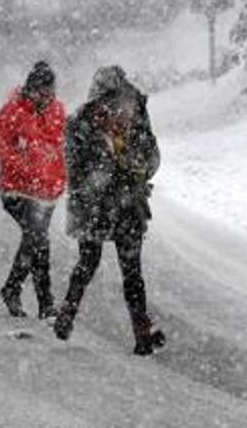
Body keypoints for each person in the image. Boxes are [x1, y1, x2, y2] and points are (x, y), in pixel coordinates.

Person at [53, 66, 166, 355]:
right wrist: (102, 178)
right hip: (98, 205)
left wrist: (135, 166)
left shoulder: (133, 117)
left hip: (122, 204)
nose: (117, 108)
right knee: (93, 263)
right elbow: (74, 169)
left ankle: (140, 333)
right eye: (109, 101)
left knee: (126, 271)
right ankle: (67, 315)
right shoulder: (82, 122)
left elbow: (152, 156)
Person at [0, 60, 67, 319]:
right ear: (30, 89)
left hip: (47, 192)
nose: (47, 98)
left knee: (37, 241)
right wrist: (28, 170)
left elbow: (62, 148)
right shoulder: (12, 112)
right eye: (42, 93)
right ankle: (38, 300)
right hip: (17, 191)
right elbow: (0, 150)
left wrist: (58, 175)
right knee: (38, 238)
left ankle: (28, 297)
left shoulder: (58, 112)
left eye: (51, 93)